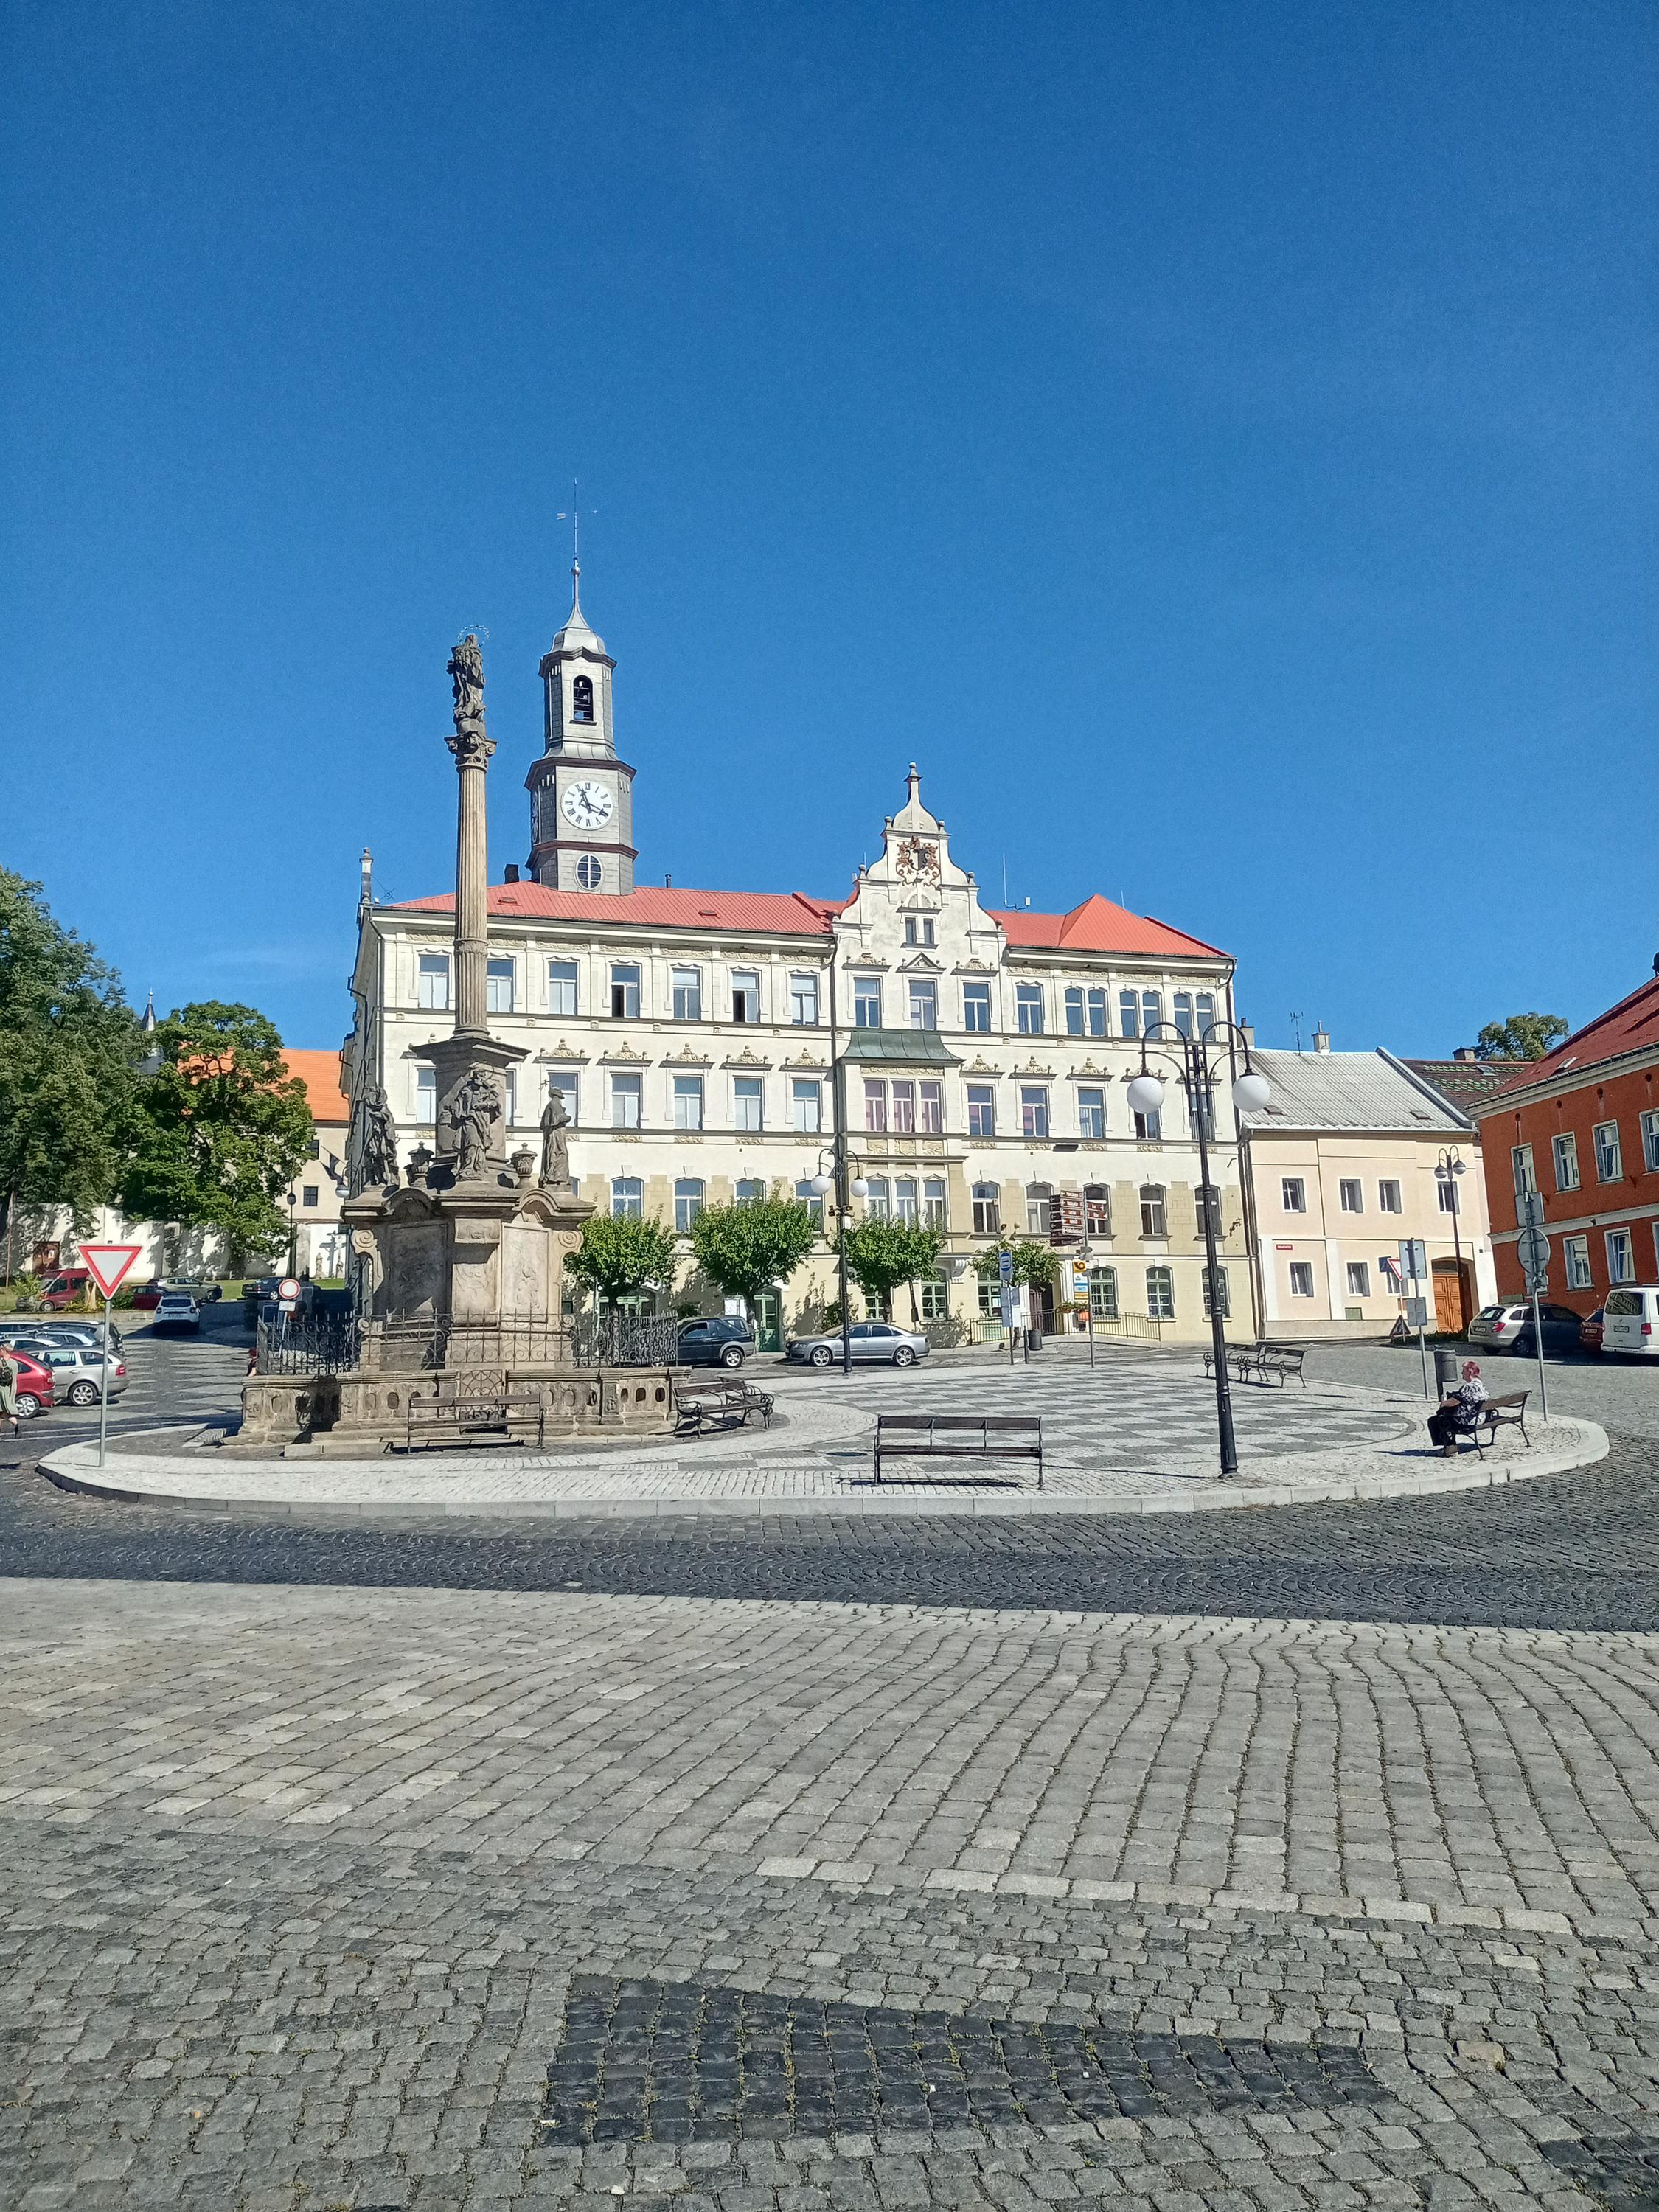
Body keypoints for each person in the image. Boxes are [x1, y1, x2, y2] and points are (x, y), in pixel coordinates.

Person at [1428, 1360, 1488, 1455]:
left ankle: (1451, 1449)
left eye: (1463, 1371)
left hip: (1470, 1421)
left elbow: (1455, 1401)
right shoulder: (1480, 1385)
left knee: (1437, 1421)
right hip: (1480, 1417)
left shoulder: (1469, 1387)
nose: (1461, 1373)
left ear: (1470, 1372)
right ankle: (1450, 1447)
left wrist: (1443, 1404)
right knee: (1444, 1419)